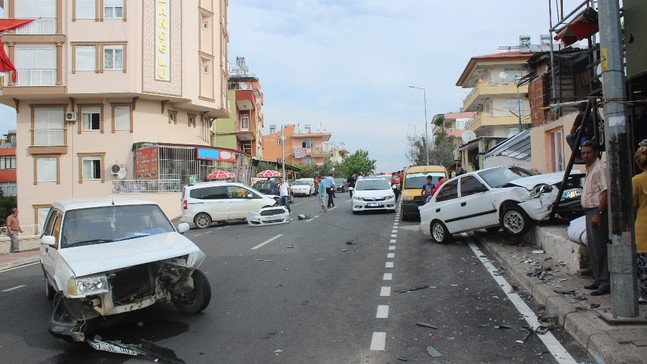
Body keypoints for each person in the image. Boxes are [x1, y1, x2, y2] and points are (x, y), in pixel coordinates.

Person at [580, 140, 610, 296]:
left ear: (596, 152)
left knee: (600, 248)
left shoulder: (600, 168)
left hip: (598, 212)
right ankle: (598, 279)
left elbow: (606, 191)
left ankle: (605, 282)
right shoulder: (590, 169)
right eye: (583, 153)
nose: (585, 155)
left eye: (588, 152)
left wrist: (599, 214)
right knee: (592, 247)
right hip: (589, 211)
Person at [632, 142, 647, 304]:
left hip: (643, 227)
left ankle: (645, 294)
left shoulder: (637, 181)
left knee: (644, 267)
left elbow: (632, 203)